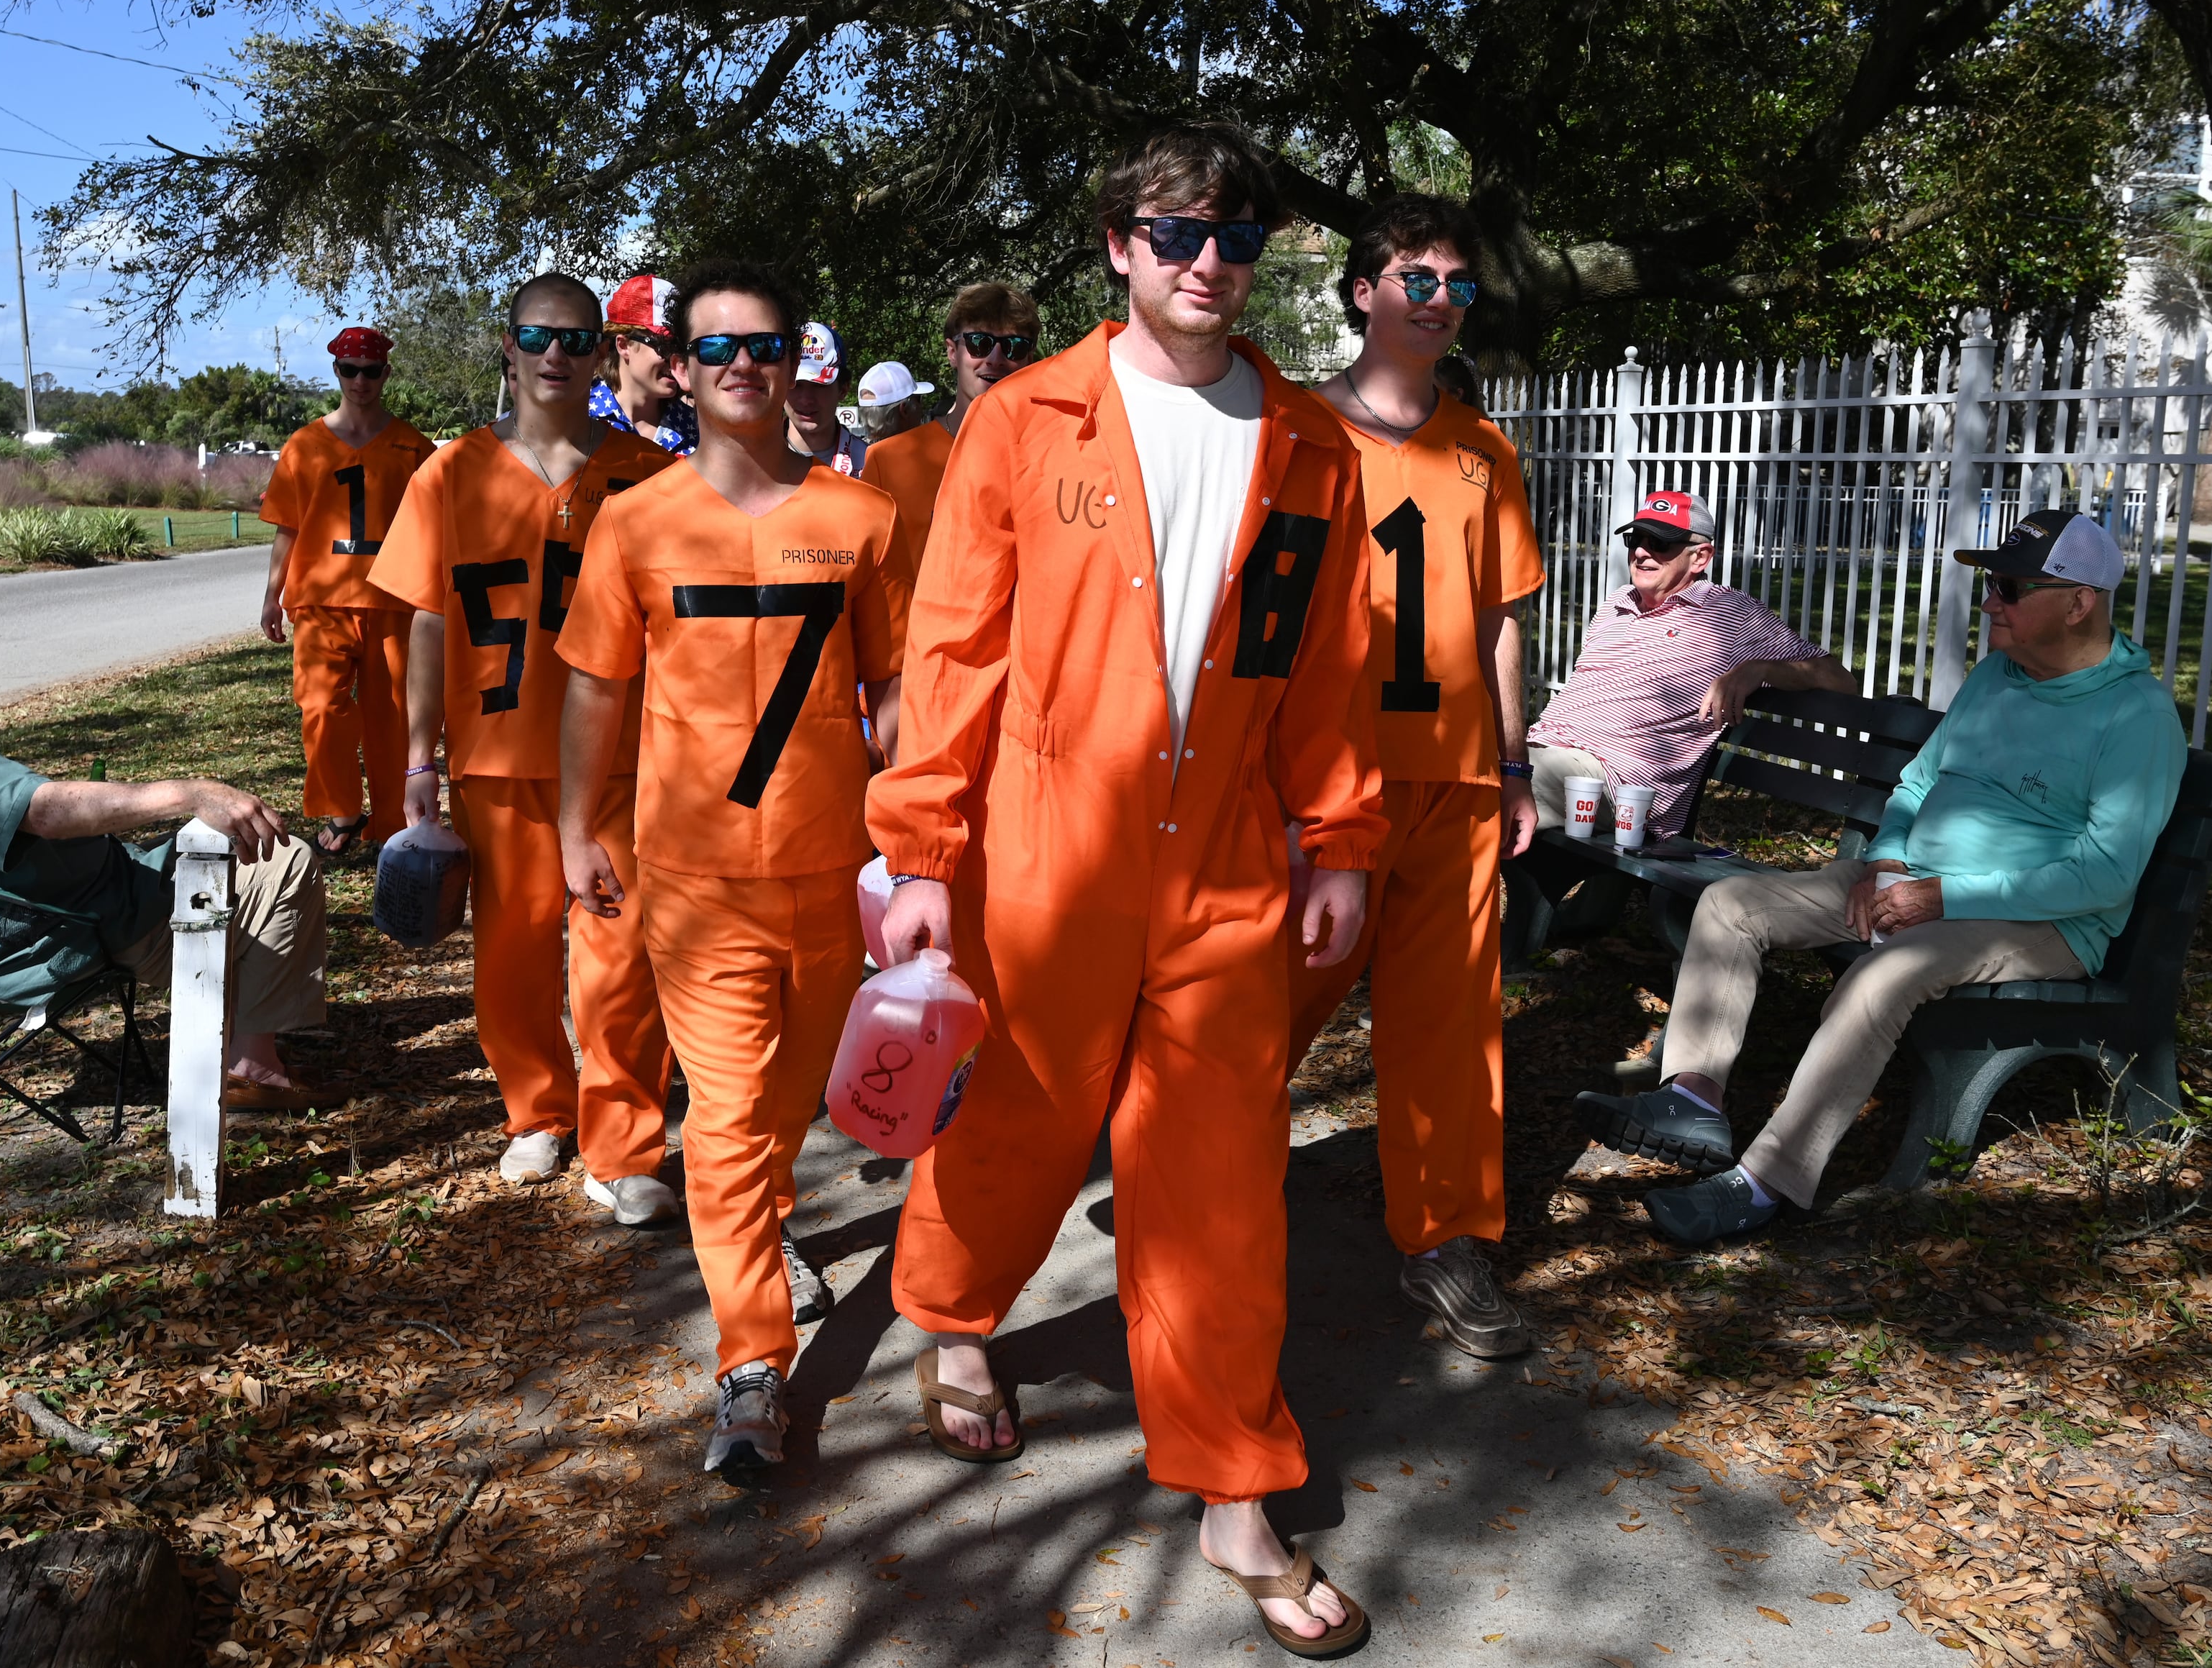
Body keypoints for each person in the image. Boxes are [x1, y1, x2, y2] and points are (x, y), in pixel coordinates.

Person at [870, 121, 1381, 1652]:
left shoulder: (1309, 446)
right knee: (1021, 1122)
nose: (1207, 263)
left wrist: (1343, 837)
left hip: (1222, 867)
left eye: (1234, 237)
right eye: (1176, 234)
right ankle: (954, 1319)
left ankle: (1236, 1483)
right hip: (1043, 858)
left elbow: (1326, 672)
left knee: (1225, 1184)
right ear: (1118, 246)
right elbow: (950, 651)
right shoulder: (1025, 421)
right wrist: (918, 855)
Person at [1576, 509, 2186, 1242]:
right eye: (1991, 584)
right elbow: (1919, 783)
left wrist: (1940, 896)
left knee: (1881, 977)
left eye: (2010, 588)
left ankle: (1767, 1182)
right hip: (1916, 883)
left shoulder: (2136, 716)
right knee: (1734, 904)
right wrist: (1891, 861)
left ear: (2079, 601)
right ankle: (1694, 1100)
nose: (1990, 601)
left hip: (2045, 921)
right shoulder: (2000, 675)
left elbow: (2102, 877)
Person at [554, 260, 910, 1473]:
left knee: (789, 1105)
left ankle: (764, 1222)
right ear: (679, 367)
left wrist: (914, 842)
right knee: (728, 1121)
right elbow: (597, 688)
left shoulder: (861, 520)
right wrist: (574, 831)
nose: (743, 367)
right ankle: (750, 1363)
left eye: (764, 345)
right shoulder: (634, 520)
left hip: (832, 869)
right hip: (694, 884)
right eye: (717, 350)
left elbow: (897, 688)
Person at [1289, 193, 1544, 1362]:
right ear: (1363, 291)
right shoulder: (1292, 434)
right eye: (1417, 279)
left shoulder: (1482, 450)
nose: (1439, 301)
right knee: (1259, 1012)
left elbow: (1499, 619)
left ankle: (1445, 1238)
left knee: (1449, 1029)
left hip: (1453, 785)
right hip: (1322, 790)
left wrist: (1514, 758)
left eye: (1458, 284)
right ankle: (1205, 1207)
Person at [0, 570, 335, 1112]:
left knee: (213, 848)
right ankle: (253, 1068)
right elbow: (46, 811)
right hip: (54, 933)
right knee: (283, 859)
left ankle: (244, 1039)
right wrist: (188, 792)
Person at [371, 273, 680, 1202]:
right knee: (510, 950)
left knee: (621, 954)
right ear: (507, 347)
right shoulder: (450, 471)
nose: (556, 353)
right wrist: (418, 757)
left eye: (577, 338)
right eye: (537, 336)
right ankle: (538, 1110)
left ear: (601, 353)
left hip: (618, 759)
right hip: (496, 756)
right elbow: (426, 620)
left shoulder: (647, 473)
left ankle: (623, 1143)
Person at [1525, 490, 1856, 842]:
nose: (1640, 552)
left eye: (1660, 544)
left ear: (1700, 557)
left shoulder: (1732, 613)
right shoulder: (1615, 604)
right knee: (1477, 764)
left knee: (1491, 781)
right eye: (1636, 539)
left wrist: (1761, 669)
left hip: (1616, 787)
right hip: (1546, 754)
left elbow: (1842, 681)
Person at [257, 327, 439, 857]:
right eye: (350, 369)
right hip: (320, 602)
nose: (361, 380)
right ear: (336, 371)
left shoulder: (413, 447)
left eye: (372, 370)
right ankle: (343, 810)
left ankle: (392, 821)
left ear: (386, 372)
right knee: (320, 708)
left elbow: (435, 529)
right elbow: (287, 526)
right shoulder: (304, 445)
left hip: (395, 602)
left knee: (396, 717)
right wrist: (272, 595)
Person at [862, 282, 1038, 582]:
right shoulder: (887, 463)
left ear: (1029, 359)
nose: (995, 358)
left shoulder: (1051, 460)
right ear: (952, 352)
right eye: (979, 343)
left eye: (1014, 346)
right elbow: (869, 582)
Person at [595, 274, 696, 455]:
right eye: (665, 346)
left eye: (681, 348)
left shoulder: (697, 429)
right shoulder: (578, 417)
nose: (677, 359)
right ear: (624, 345)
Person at [786, 322, 864, 474]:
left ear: (843, 389)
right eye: (796, 385)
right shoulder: (752, 463)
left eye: (820, 386)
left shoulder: (868, 465)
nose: (806, 399)